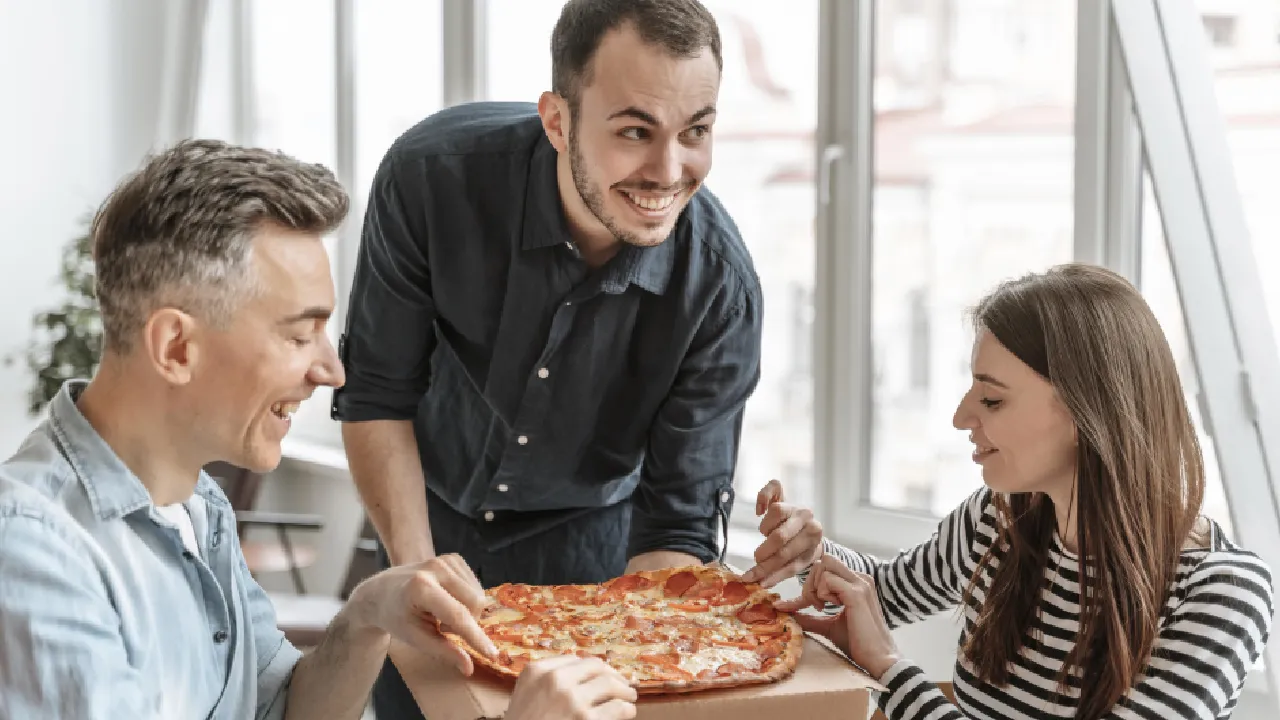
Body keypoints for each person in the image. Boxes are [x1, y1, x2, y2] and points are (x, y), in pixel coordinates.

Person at [0, 139, 637, 720]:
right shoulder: (33, 553)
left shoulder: (197, 507)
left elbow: (284, 709)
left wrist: (366, 616)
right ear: (175, 347)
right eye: (298, 333)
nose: (332, 370)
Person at [331, 1, 763, 715]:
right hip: (425, 527)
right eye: (634, 131)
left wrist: (631, 648)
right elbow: (377, 395)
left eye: (697, 131)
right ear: (558, 121)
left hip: (596, 566)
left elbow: (677, 524)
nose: (669, 171)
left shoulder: (721, 288)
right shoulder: (429, 180)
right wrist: (417, 574)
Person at [748, 264, 1274, 720]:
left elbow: (878, 644)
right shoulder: (998, 519)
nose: (960, 417)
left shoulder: (1222, 594)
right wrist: (811, 555)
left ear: (1086, 410)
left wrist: (888, 669)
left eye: (992, 399)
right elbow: (881, 597)